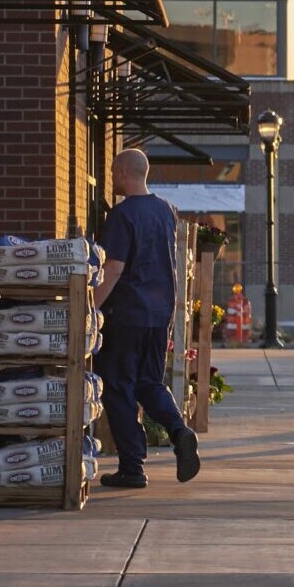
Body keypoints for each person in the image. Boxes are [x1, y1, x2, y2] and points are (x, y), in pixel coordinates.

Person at [89, 149, 200, 488]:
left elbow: (114, 269)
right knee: (150, 382)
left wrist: (89, 309)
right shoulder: (165, 210)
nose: (111, 178)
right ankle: (179, 431)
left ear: (123, 172)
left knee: (118, 388)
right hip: (158, 313)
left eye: (112, 172)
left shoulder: (122, 216)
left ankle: (132, 467)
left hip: (125, 315)